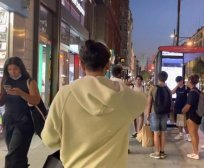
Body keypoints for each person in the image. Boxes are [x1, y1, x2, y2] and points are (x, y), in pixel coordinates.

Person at [41, 40, 147, 168]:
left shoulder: (65, 95)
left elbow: (49, 139)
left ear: (81, 64)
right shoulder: (123, 95)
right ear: (108, 65)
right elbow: (143, 101)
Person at [0, 56, 41, 168]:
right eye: (9, 69)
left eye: (15, 69)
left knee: (12, 156)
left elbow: (36, 100)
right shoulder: (5, 81)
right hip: (8, 121)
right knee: (19, 156)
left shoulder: (29, 81)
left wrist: (21, 93)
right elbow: (2, 103)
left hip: (24, 123)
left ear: (21, 68)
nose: (12, 72)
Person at [145, 71, 171, 159]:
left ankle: (157, 152)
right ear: (166, 78)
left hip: (154, 112)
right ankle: (162, 151)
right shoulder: (168, 89)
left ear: (158, 78)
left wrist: (147, 114)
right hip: (164, 113)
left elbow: (149, 103)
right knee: (163, 132)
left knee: (156, 133)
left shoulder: (153, 88)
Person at [182, 74, 201, 160]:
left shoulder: (192, 92)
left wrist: (183, 110)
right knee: (195, 134)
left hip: (192, 116)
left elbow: (188, 105)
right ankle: (196, 152)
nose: (186, 82)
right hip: (197, 115)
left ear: (190, 81)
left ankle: (195, 153)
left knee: (193, 134)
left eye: (187, 81)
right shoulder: (197, 91)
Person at [172, 76, 190, 141]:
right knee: (179, 121)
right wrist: (177, 86)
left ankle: (188, 135)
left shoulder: (186, 88)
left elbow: (189, 96)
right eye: (178, 81)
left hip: (184, 107)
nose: (179, 82)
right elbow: (172, 92)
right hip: (177, 106)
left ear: (182, 80)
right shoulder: (177, 88)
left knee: (184, 122)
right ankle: (180, 134)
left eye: (180, 81)